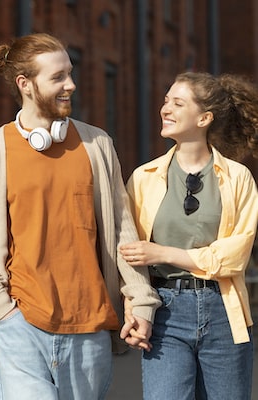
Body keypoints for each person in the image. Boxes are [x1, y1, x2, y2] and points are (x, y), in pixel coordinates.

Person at [0, 32, 161, 400]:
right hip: (20, 323)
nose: (71, 84)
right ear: (25, 84)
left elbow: (120, 231)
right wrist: (1, 308)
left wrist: (140, 299)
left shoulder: (96, 144)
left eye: (70, 73)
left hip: (90, 327)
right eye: (58, 77)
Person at [120, 71, 258, 399]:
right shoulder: (143, 178)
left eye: (178, 103)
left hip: (225, 312)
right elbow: (129, 253)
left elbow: (234, 257)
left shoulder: (239, 178)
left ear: (204, 118)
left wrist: (163, 253)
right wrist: (133, 307)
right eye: (166, 101)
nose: (165, 109)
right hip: (164, 310)